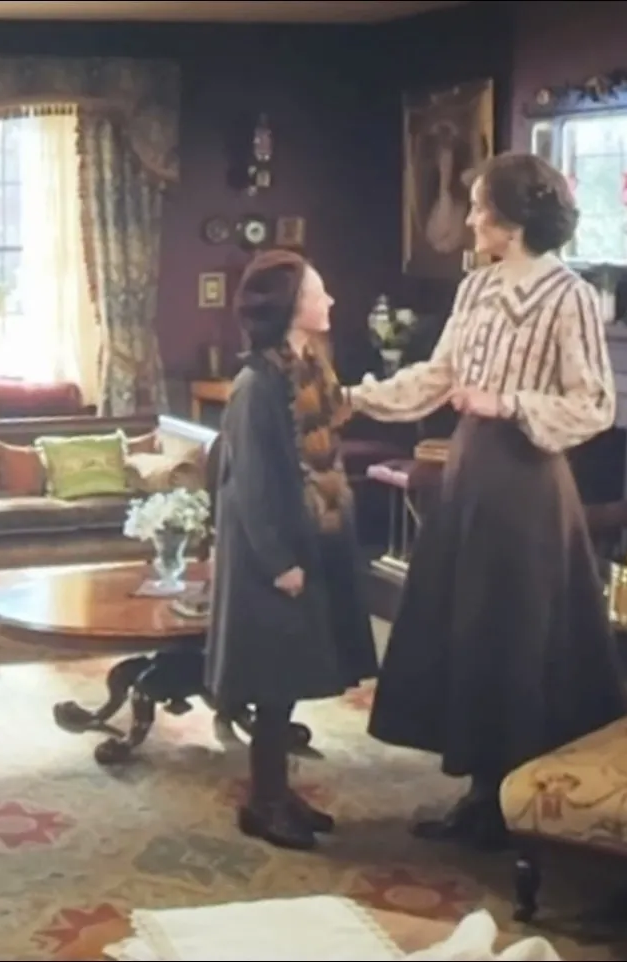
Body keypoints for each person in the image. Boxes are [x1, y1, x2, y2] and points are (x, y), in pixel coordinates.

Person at [348, 151, 627, 848]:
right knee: (469, 621)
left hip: (526, 480)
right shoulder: (475, 288)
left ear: (511, 220)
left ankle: (522, 794)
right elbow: (436, 377)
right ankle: (481, 788)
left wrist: (508, 402)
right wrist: (354, 398)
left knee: (516, 627)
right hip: (470, 470)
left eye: (478, 208)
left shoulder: (569, 295)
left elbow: (594, 403)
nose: (470, 219)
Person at [207, 249, 378, 852]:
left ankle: (277, 793)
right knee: (272, 681)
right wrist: (280, 562)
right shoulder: (257, 385)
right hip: (269, 555)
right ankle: (263, 803)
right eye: (317, 292)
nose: (329, 300)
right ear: (289, 307)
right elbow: (251, 484)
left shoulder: (306, 370)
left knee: (287, 680)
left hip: (304, 542)